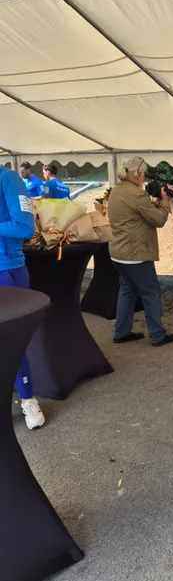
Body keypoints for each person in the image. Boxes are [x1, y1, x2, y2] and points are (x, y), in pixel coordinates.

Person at [107, 156, 173, 348]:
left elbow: (135, 214)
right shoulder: (137, 194)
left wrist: (155, 203)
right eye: (143, 174)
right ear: (138, 175)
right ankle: (157, 335)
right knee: (151, 294)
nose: (144, 177)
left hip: (118, 253)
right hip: (135, 254)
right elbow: (158, 220)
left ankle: (121, 332)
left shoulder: (116, 190)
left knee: (127, 291)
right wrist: (165, 201)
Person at [0, 164, 46, 429]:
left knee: (12, 341)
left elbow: (24, 227)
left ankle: (27, 398)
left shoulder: (8, 179)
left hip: (6, 270)